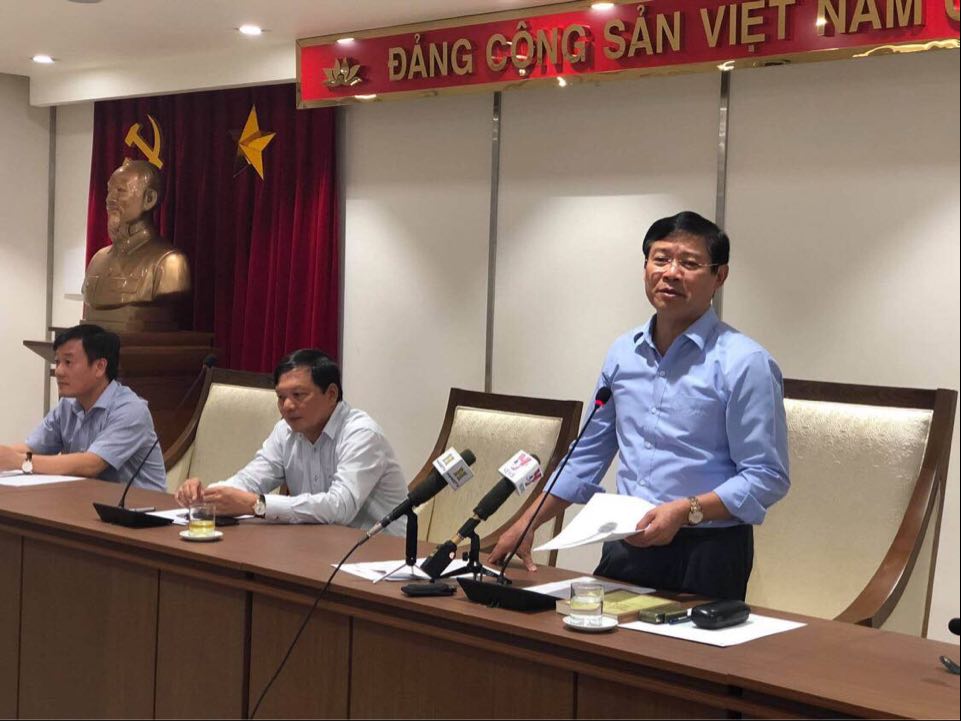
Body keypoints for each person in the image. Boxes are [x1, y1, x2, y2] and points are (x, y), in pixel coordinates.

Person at [489, 211, 790, 601]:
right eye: (660, 259)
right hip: (626, 541)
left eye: (690, 263)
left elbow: (767, 475)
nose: (671, 273)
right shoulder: (623, 354)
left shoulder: (745, 363)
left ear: (720, 276)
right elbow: (587, 453)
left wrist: (686, 510)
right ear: (646, 267)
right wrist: (527, 522)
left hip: (708, 550)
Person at [175, 349, 409, 534]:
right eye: (281, 397)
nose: (286, 406)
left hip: (381, 557)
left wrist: (257, 505)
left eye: (298, 395)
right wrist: (206, 495)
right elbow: (251, 479)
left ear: (331, 394)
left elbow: (340, 508)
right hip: (319, 546)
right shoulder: (285, 431)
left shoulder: (361, 434)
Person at [0, 324, 166, 490]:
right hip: (87, 498)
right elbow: (32, 448)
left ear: (99, 367)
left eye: (68, 362)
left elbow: (91, 464)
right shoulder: (67, 405)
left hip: (140, 504)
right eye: (57, 362)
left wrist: (21, 461)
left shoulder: (131, 410)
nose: (58, 371)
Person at [82, 158, 190, 332]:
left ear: (149, 199)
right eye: (109, 191)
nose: (109, 199)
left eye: (120, 191)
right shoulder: (98, 259)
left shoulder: (169, 262)